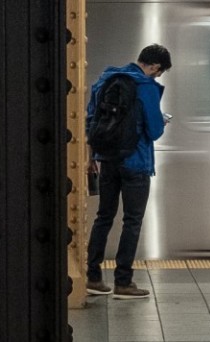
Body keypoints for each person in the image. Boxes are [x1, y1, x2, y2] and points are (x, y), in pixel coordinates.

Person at [84, 44, 170, 300]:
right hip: (136, 163)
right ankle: (123, 282)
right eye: (159, 72)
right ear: (154, 66)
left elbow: (91, 120)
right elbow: (154, 131)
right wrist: (161, 120)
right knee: (131, 221)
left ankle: (93, 277)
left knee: (104, 217)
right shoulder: (147, 87)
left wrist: (92, 157)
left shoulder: (105, 80)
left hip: (107, 160)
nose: (157, 76)